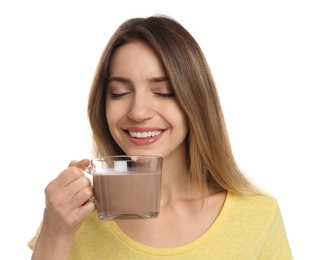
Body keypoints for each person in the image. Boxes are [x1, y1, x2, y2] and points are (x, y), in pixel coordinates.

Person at [28, 15, 293, 259]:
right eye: (119, 92)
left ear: (197, 101)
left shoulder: (259, 215)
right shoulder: (69, 216)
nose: (139, 112)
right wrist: (55, 233)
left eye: (164, 92)